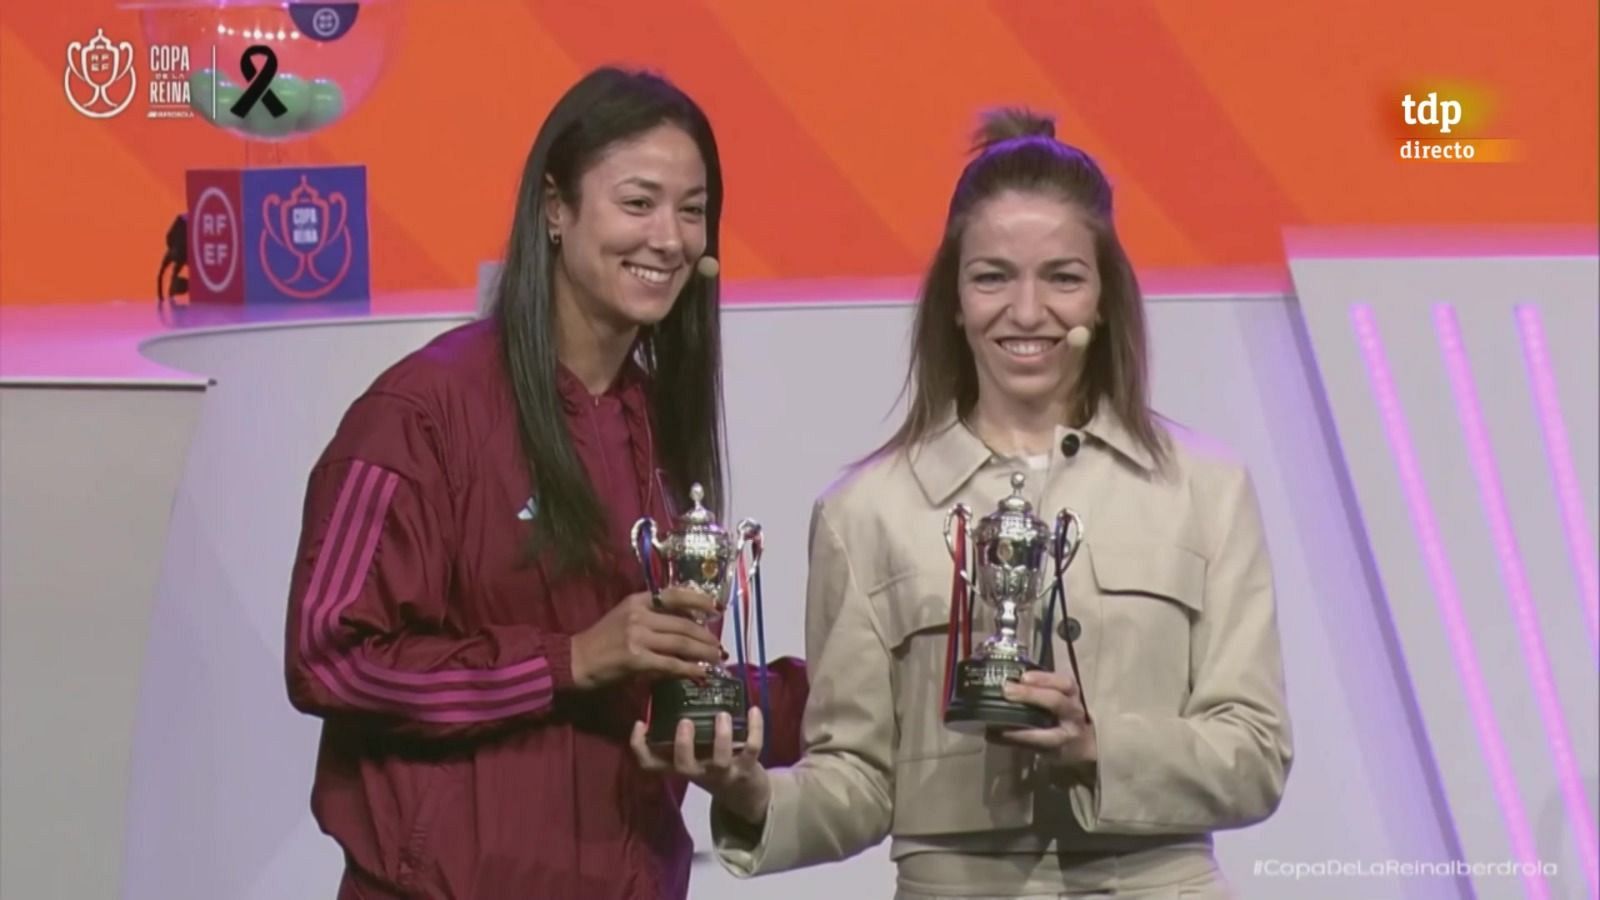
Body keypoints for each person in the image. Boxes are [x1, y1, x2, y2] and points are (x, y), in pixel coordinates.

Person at [634, 109, 1292, 899]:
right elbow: (859, 781)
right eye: (992, 277)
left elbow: (1255, 754)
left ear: (1105, 298)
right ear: (953, 298)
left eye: (1062, 276)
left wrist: (1100, 746)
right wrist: (747, 790)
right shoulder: (867, 511)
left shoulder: (1205, 489)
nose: (1026, 311)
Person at [283, 66, 806, 900]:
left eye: (693, 209)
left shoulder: (652, 422)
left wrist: (837, 703)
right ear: (555, 209)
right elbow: (330, 658)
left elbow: (647, 681)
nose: (669, 238)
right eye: (638, 203)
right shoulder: (420, 413)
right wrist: (565, 662)